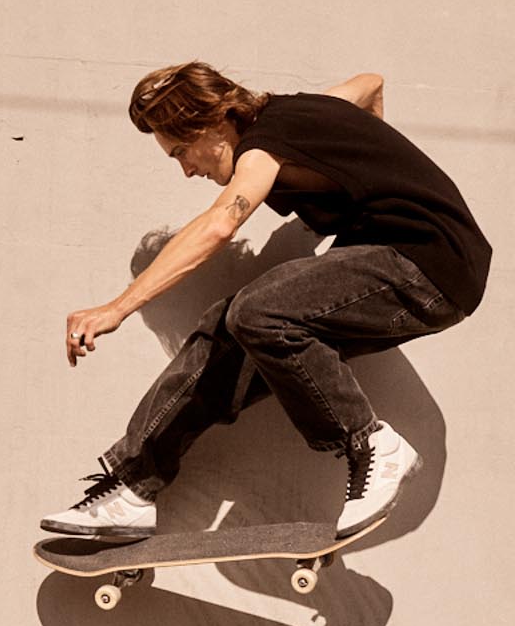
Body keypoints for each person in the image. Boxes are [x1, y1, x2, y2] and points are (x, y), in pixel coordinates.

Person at [42, 61, 491, 539]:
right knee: (228, 330)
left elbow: (220, 224)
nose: (187, 170)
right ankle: (134, 488)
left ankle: (370, 446)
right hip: (406, 261)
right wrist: (371, 168)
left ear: (214, 123)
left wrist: (116, 308)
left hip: (430, 262)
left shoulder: (261, 148)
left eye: (181, 153)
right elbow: (370, 85)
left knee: (258, 312)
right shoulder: (308, 112)